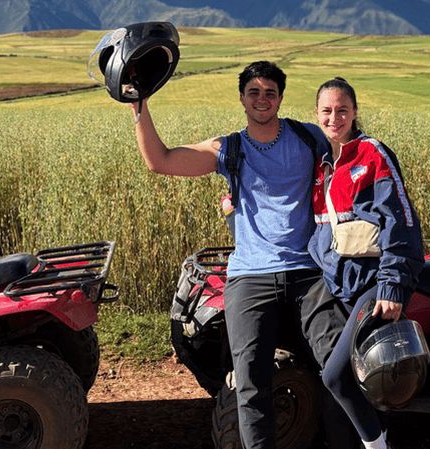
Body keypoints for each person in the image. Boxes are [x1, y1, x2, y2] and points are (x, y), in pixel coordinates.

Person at [131, 60, 347, 449]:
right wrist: (139, 106)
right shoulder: (228, 148)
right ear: (242, 98)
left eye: (270, 93)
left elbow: (355, 157)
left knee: (337, 367)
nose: (262, 99)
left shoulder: (309, 137)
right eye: (254, 92)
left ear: (280, 98)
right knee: (250, 381)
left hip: (308, 272)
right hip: (251, 276)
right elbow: (159, 160)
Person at [308, 77, 426, 449]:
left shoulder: (372, 154)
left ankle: (379, 447)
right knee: (357, 380)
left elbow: (399, 220)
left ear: (355, 111)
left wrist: (392, 286)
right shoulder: (322, 167)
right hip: (340, 286)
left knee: (336, 377)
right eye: (327, 111)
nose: (334, 118)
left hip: (374, 286)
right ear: (316, 114)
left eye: (342, 110)